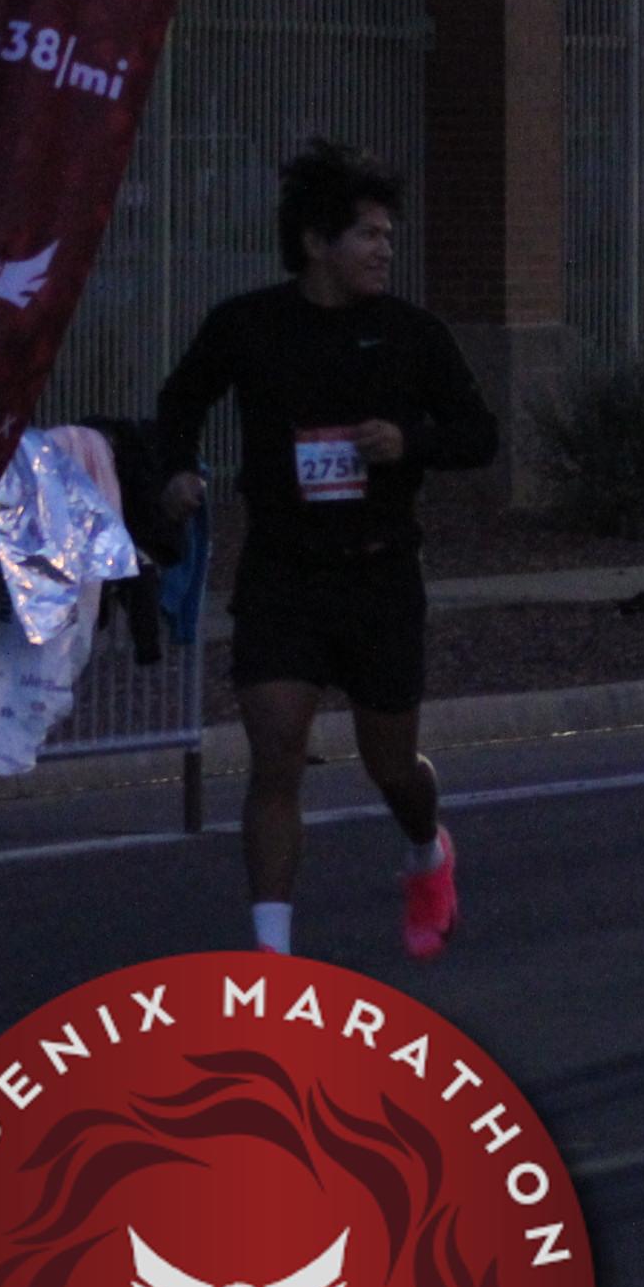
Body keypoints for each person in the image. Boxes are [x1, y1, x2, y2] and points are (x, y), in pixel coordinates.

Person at [155, 142, 497, 961]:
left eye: (388, 236)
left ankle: (427, 851)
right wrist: (175, 470)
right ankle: (272, 957)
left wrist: (408, 441)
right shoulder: (248, 326)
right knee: (276, 757)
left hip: (380, 574)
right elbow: (180, 401)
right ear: (315, 242)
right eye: (368, 235)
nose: (384, 250)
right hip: (284, 574)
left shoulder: (411, 335)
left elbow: (479, 435)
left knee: (392, 766)